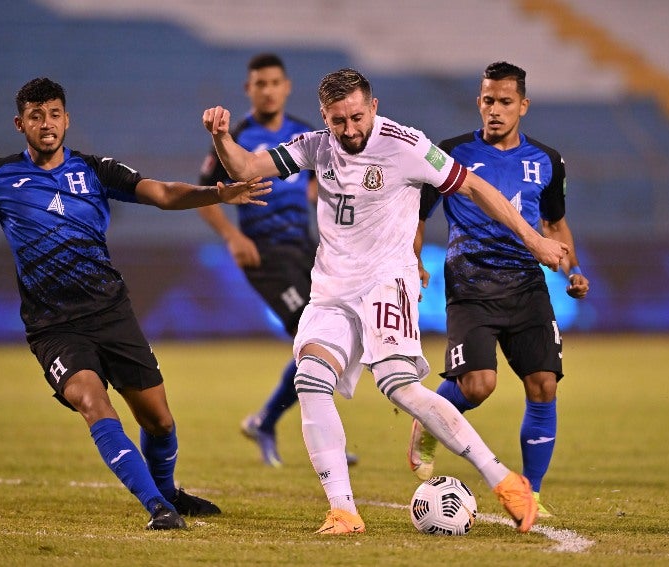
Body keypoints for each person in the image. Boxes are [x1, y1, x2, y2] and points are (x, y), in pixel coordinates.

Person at [202, 68, 569, 535]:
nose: (350, 130)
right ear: (325, 117)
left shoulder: (406, 145)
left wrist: (535, 241)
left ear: (372, 107)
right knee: (311, 379)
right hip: (332, 289)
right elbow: (247, 169)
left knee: (400, 388)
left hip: (385, 282)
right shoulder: (317, 145)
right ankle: (343, 511)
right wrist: (220, 138)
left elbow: (476, 188)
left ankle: (502, 479)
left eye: (357, 117)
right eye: (339, 121)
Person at [0, 77, 271, 530]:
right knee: (93, 403)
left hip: (111, 313)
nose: (46, 124)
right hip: (54, 327)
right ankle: (157, 507)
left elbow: (161, 194)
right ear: (19, 123)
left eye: (54, 114)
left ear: (67, 119)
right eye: (36, 116)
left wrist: (216, 194)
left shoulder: (94, 170)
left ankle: (168, 493)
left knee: (159, 422)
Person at [408, 61, 590, 519]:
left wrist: (573, 269)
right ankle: (428, 422)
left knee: (544, 385)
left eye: (505, 101)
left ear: (523, 106)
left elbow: (553, 222)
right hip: (470, 284)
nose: (495, 110)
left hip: (527, 286)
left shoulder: (547, 160)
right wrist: (413, 260)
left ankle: (533, 493)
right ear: (479, 102)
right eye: (488, 100)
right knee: (478, 384)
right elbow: (417, 214)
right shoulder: (451, 154)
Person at [197, 53, 357, 468]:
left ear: (286, 87)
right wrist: (233, 236)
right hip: (264, 253)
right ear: (249, 90)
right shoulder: (237, 136)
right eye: (259, 84)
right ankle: (303, 435)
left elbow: (322, 182)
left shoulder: (305, 133)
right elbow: (205, 194)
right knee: (314, 342)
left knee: (329, 341)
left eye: (274, 83)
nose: (267, 90)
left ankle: (267, 421)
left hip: (305, 249)